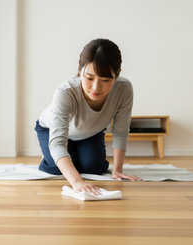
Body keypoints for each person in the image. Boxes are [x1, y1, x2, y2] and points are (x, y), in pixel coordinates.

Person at [35, 38, 141, 196]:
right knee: (57, 169)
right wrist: (77, 181)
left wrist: (118, 170)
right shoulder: (66, 91)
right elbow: (58, 143)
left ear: (117, 75)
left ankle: (74, 153)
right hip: (51, 130)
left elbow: (120, 130)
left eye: (105, 80)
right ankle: (55, 156)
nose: (96, 88)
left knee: (95, 169)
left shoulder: (124, 89)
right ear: (80, 69)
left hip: (90, 132)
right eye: (89, 78)